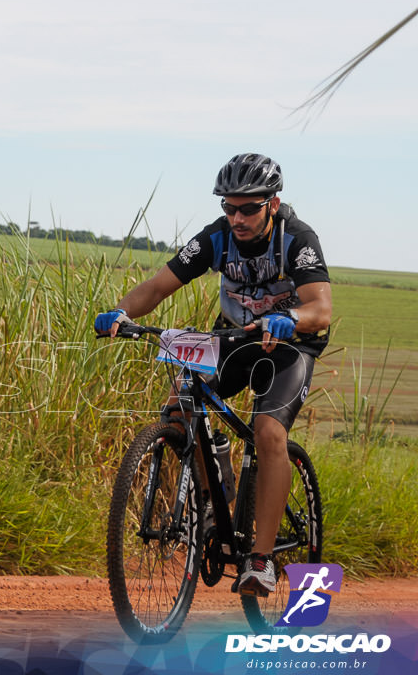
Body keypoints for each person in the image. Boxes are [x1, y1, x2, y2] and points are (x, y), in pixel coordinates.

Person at [94, 153, 332, 596]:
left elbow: (321, 308)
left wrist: (291, 317)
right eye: (228, 207)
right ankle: (215, 499)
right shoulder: (216, 238)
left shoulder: (297, 238)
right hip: (237, 336)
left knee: (268, 433)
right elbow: (157, 286)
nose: (237, 217)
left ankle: (260, 559)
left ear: (273, 204)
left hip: (290, 344)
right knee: (179, 406)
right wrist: (122, 312)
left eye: (248, 208)